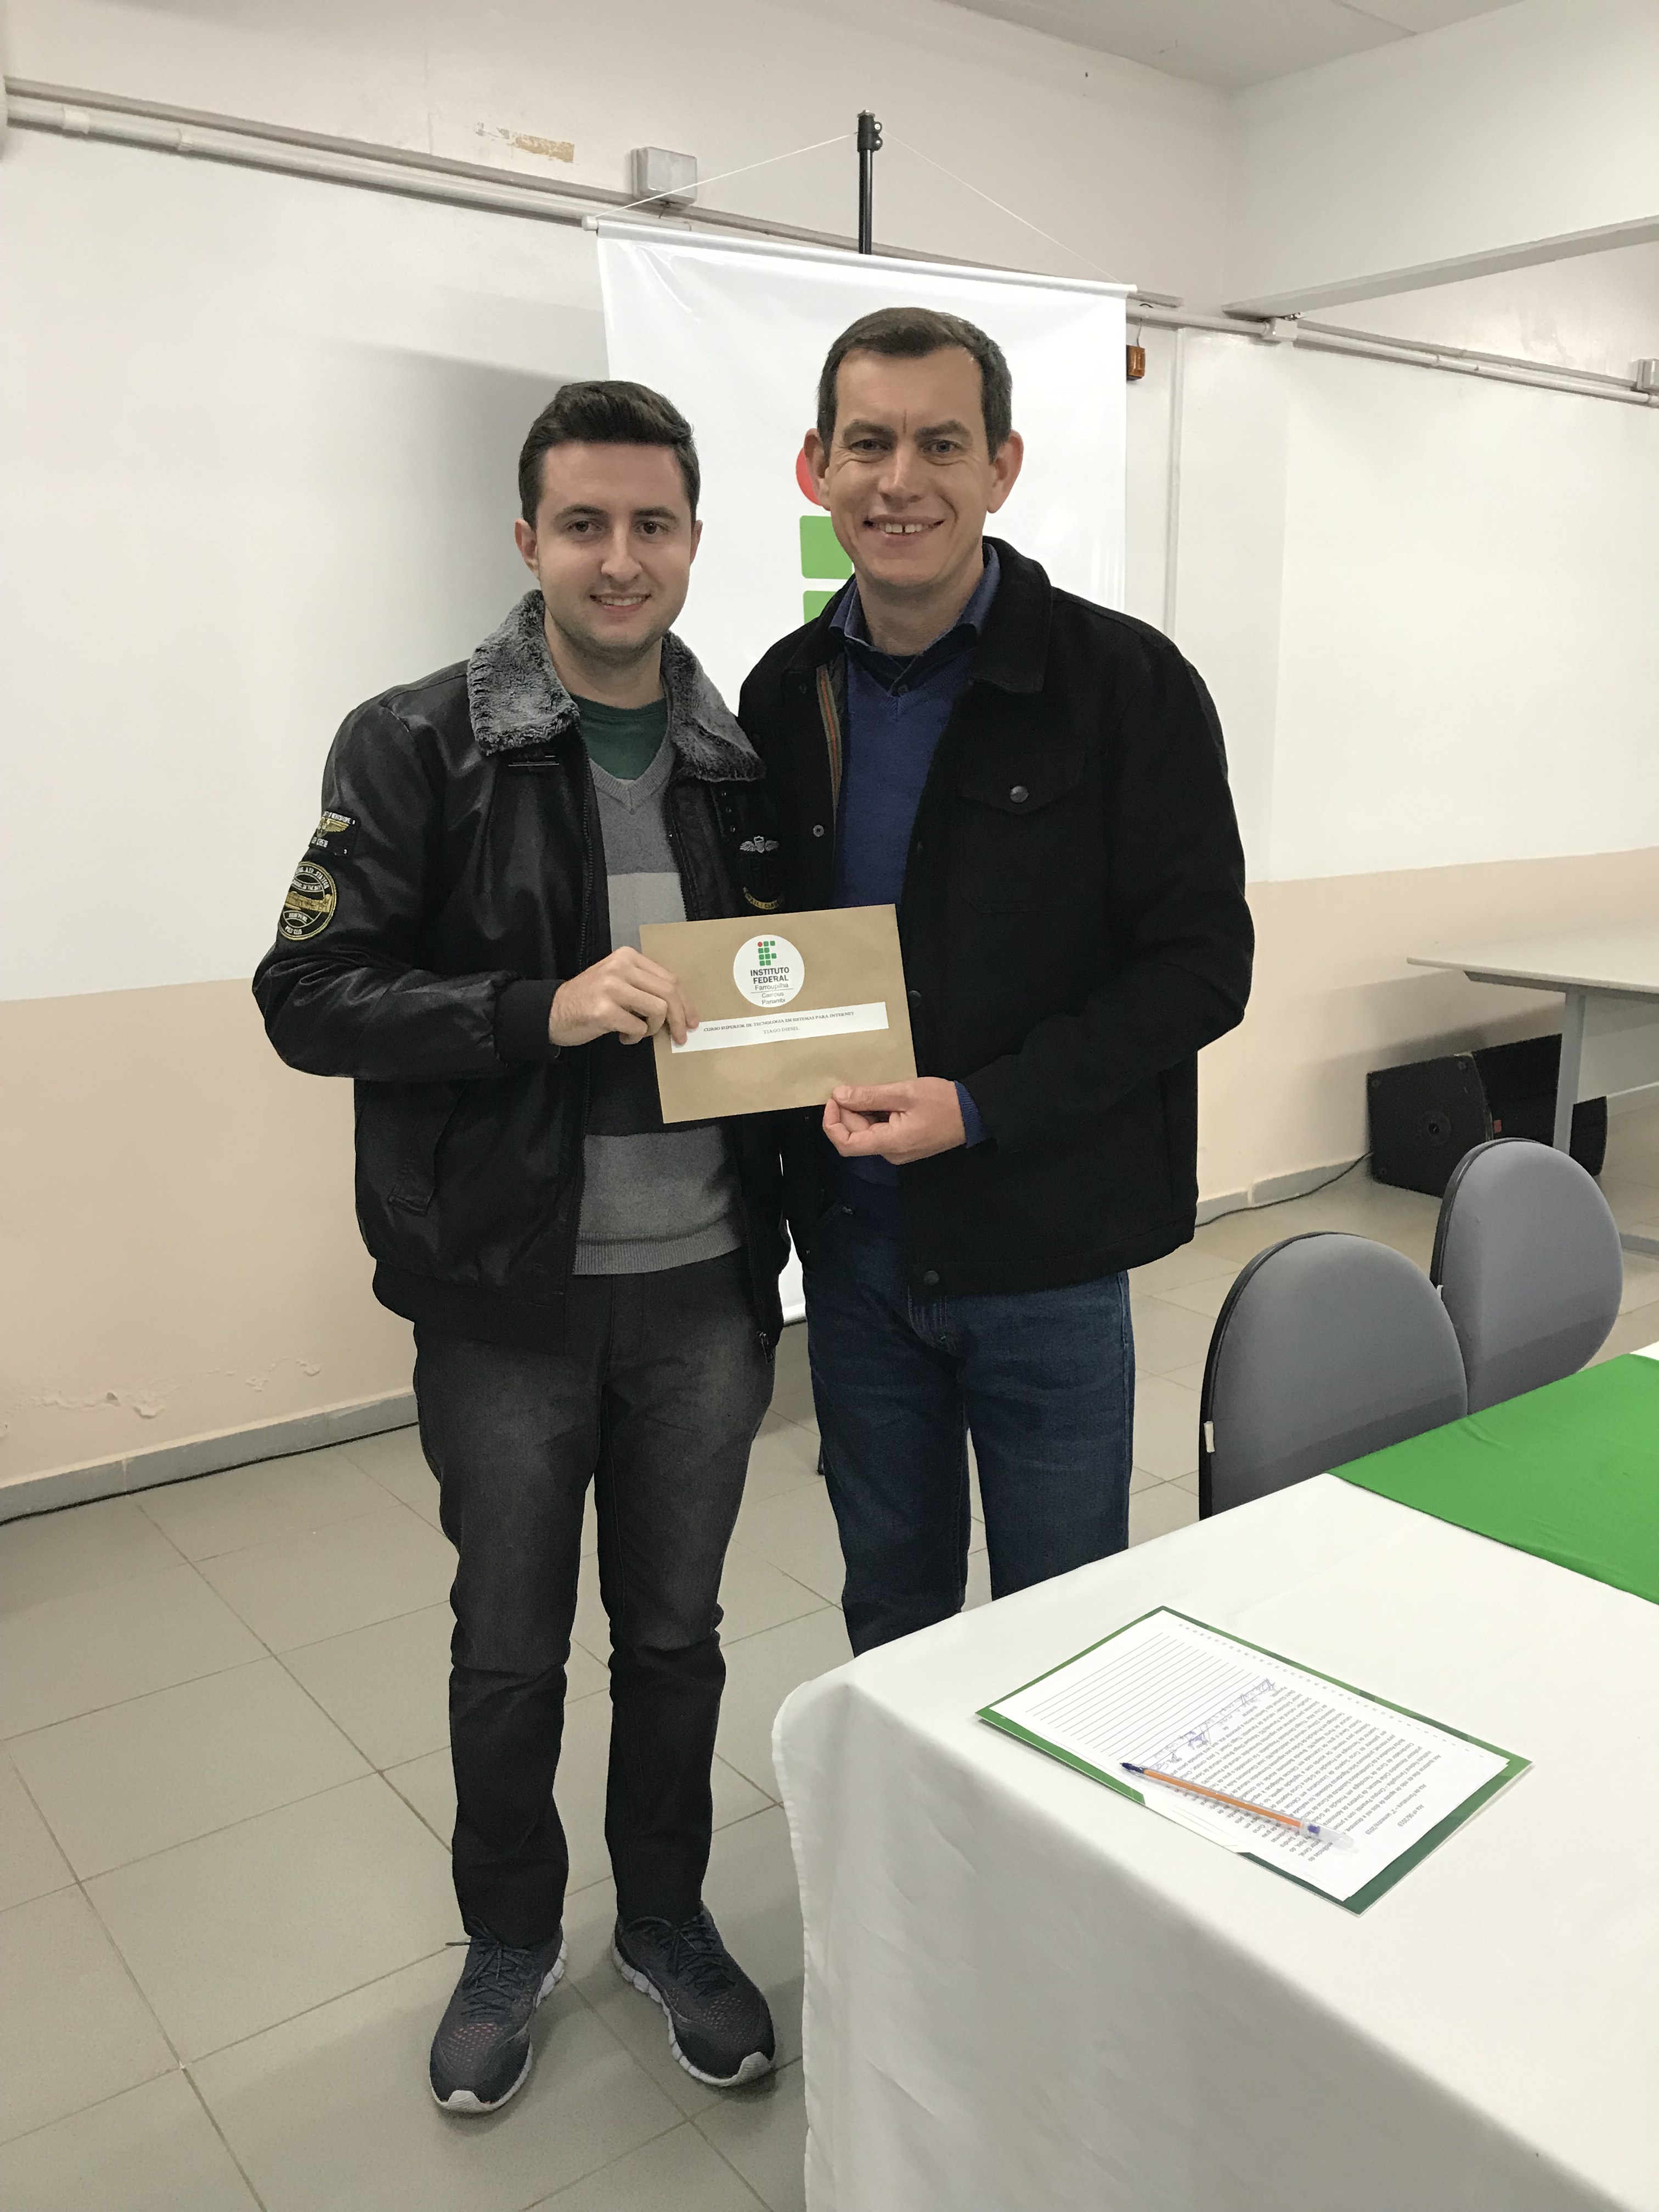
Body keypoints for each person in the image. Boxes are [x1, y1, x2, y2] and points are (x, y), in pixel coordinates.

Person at [254, 381, 786, 2114]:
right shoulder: (415, 743)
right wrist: (528, 1009)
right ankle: (507, 1941)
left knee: (678, 1636)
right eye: (584, 526)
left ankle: (669, 1921)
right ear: (528, 540)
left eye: (652, 525)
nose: (619, 559)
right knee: (507, 1647)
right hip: (505, 1299)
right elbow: (308, 995)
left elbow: (789, 995)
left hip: (710, 1288)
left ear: (693, 541)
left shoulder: (741, 763)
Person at [739, 307, 1254, 1655]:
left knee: (1065, 1631)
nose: (900, 480)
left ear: (1003, 467)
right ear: (816, 469)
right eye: (868, 444)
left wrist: (978, 1108)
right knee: (893, 1614)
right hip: (852, 1253)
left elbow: (1204, 968)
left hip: (1047, 1254)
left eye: (942, 444)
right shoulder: (786, 693)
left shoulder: (1125, 684)